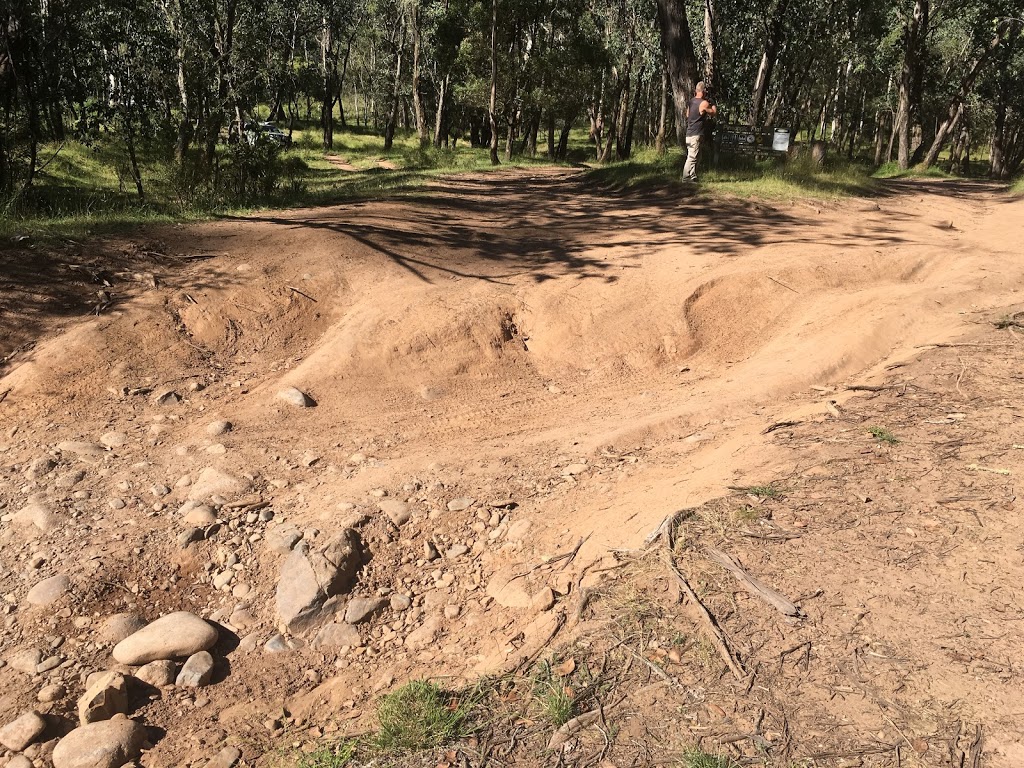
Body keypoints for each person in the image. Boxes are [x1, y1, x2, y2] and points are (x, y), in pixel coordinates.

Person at [684, 82, 717, 182]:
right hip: (696, 134)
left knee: (698, 156)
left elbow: (687, 115)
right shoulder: (704, 103)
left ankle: (693, 176)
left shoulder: (691, 102)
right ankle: (685, 177)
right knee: (692, 157)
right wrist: (713, 103)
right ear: (703, 92)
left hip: (689, 133)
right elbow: (713, 113)